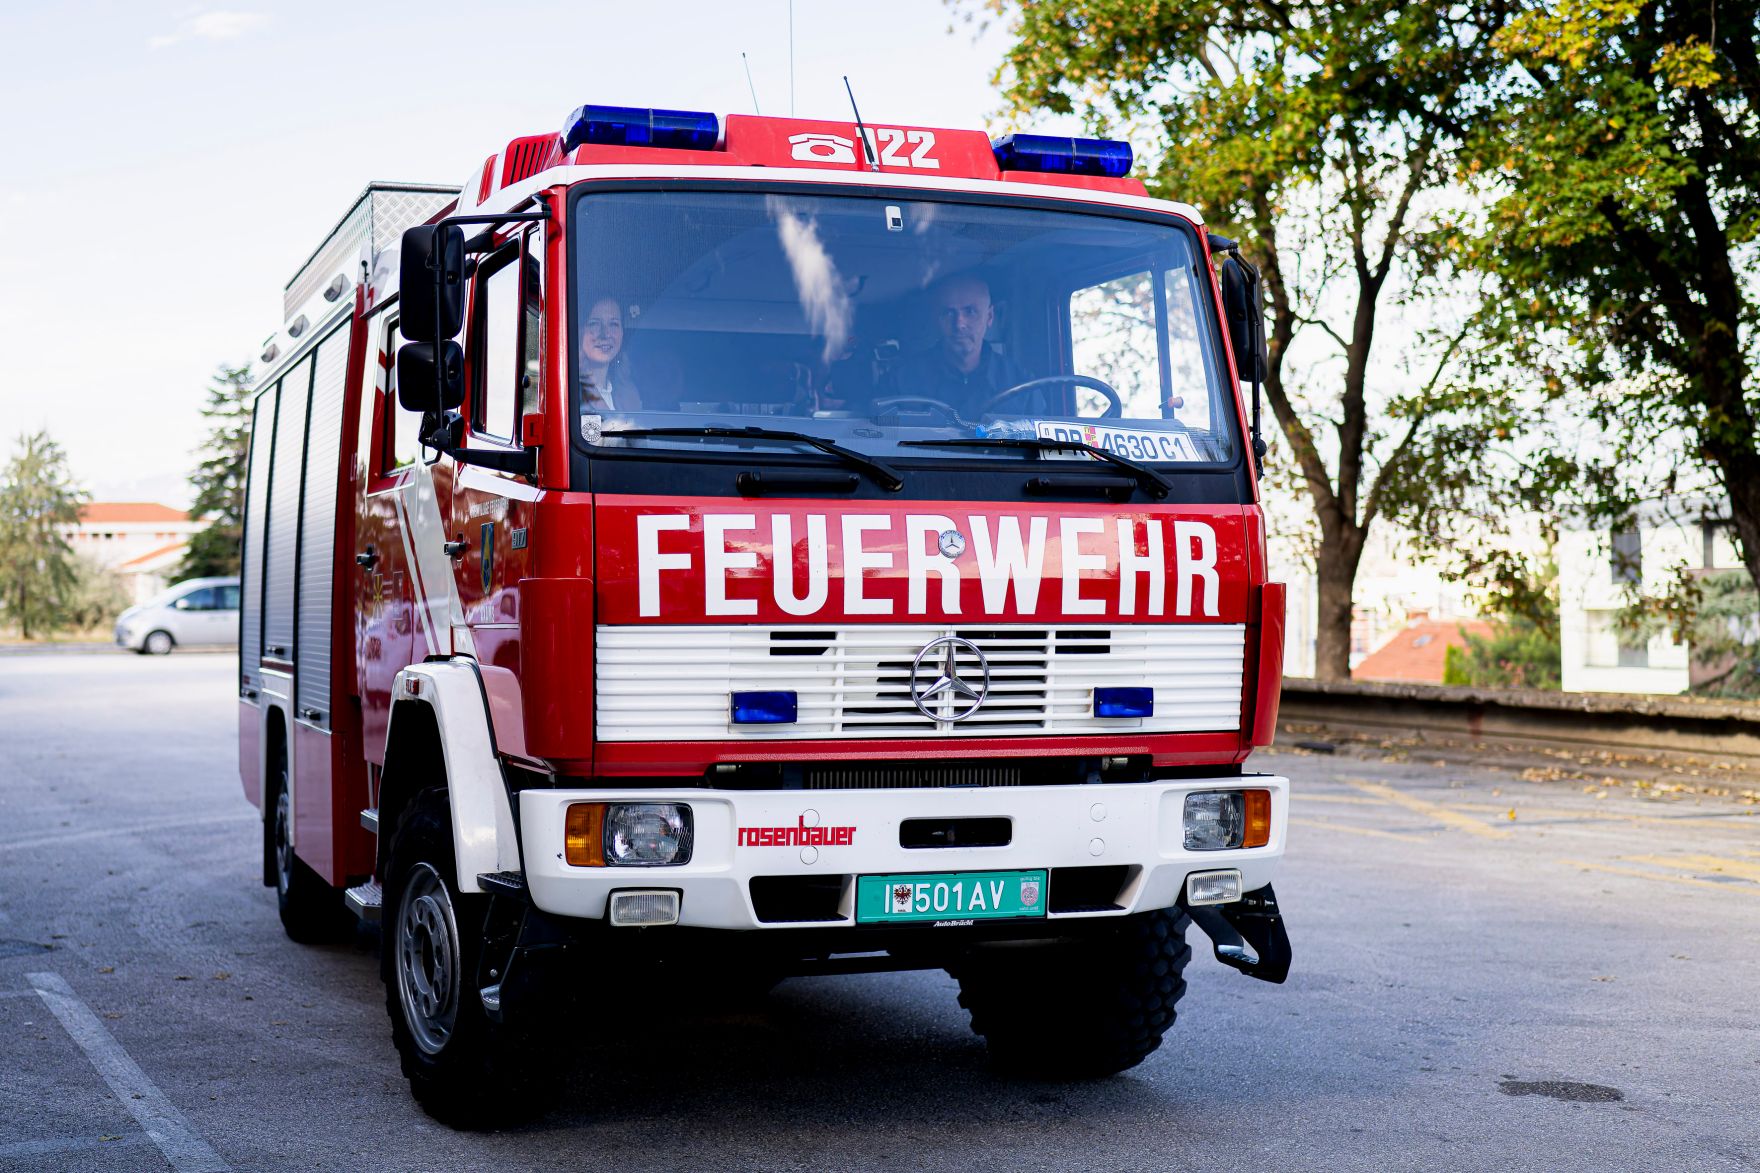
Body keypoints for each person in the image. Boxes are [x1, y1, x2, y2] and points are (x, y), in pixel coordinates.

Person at [879, 272, 1031, 414]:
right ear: (937, 319)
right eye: (949, 313)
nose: (959, 324)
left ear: (989, 317)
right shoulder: (900, 381)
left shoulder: (1022, 384)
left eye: (970, 311)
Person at [579, 296, 641, 412]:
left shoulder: (628, 393)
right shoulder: (567, 391)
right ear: (579, 330)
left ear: (622, 332)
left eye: (613, 324)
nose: (605, 334)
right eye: (594, 324)